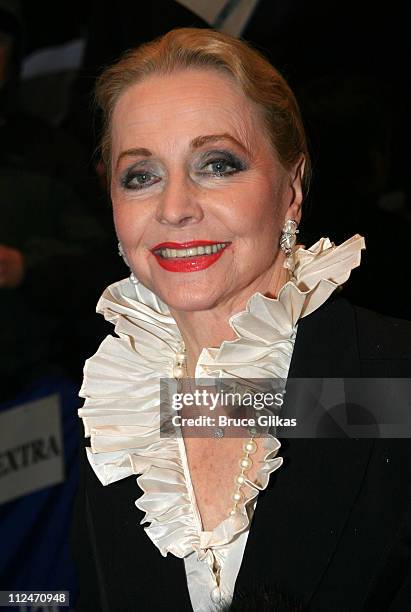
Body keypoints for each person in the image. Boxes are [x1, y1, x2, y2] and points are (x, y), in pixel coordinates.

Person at [73, 28, 411, 611]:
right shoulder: (118, 409)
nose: (175, 207)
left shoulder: (394, 380)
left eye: (217, 164)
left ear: (292, 188)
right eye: (141, 175)